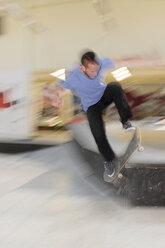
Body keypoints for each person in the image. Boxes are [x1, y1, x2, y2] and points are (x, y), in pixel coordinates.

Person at [59, 51, 134, 179]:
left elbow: (123, 60)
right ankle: (109, 161)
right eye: (91, 71)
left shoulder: (100, 62)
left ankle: (125, 122)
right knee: (98, 135)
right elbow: (59, 87)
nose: (95, 73)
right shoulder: (73, 76)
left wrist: (151, 61)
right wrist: (55, 96)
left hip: (103, 96)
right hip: (91, 107)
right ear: (83, 68)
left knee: (115, 87)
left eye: (96, 70)